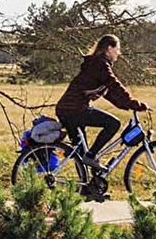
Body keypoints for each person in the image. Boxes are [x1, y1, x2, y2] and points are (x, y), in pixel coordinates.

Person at [55, 34, 149, 166]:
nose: (119, 53)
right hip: (74, 109)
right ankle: (91, 156)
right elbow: (115, 85)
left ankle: (85, 184)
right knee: (113, 124)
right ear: (109, 48)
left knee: (81, 153)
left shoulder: (95, 64)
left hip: (67, 109)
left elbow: (109, 93)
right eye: (117, 49)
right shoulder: (100, 64)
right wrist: (134, 103)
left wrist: (127, 105)